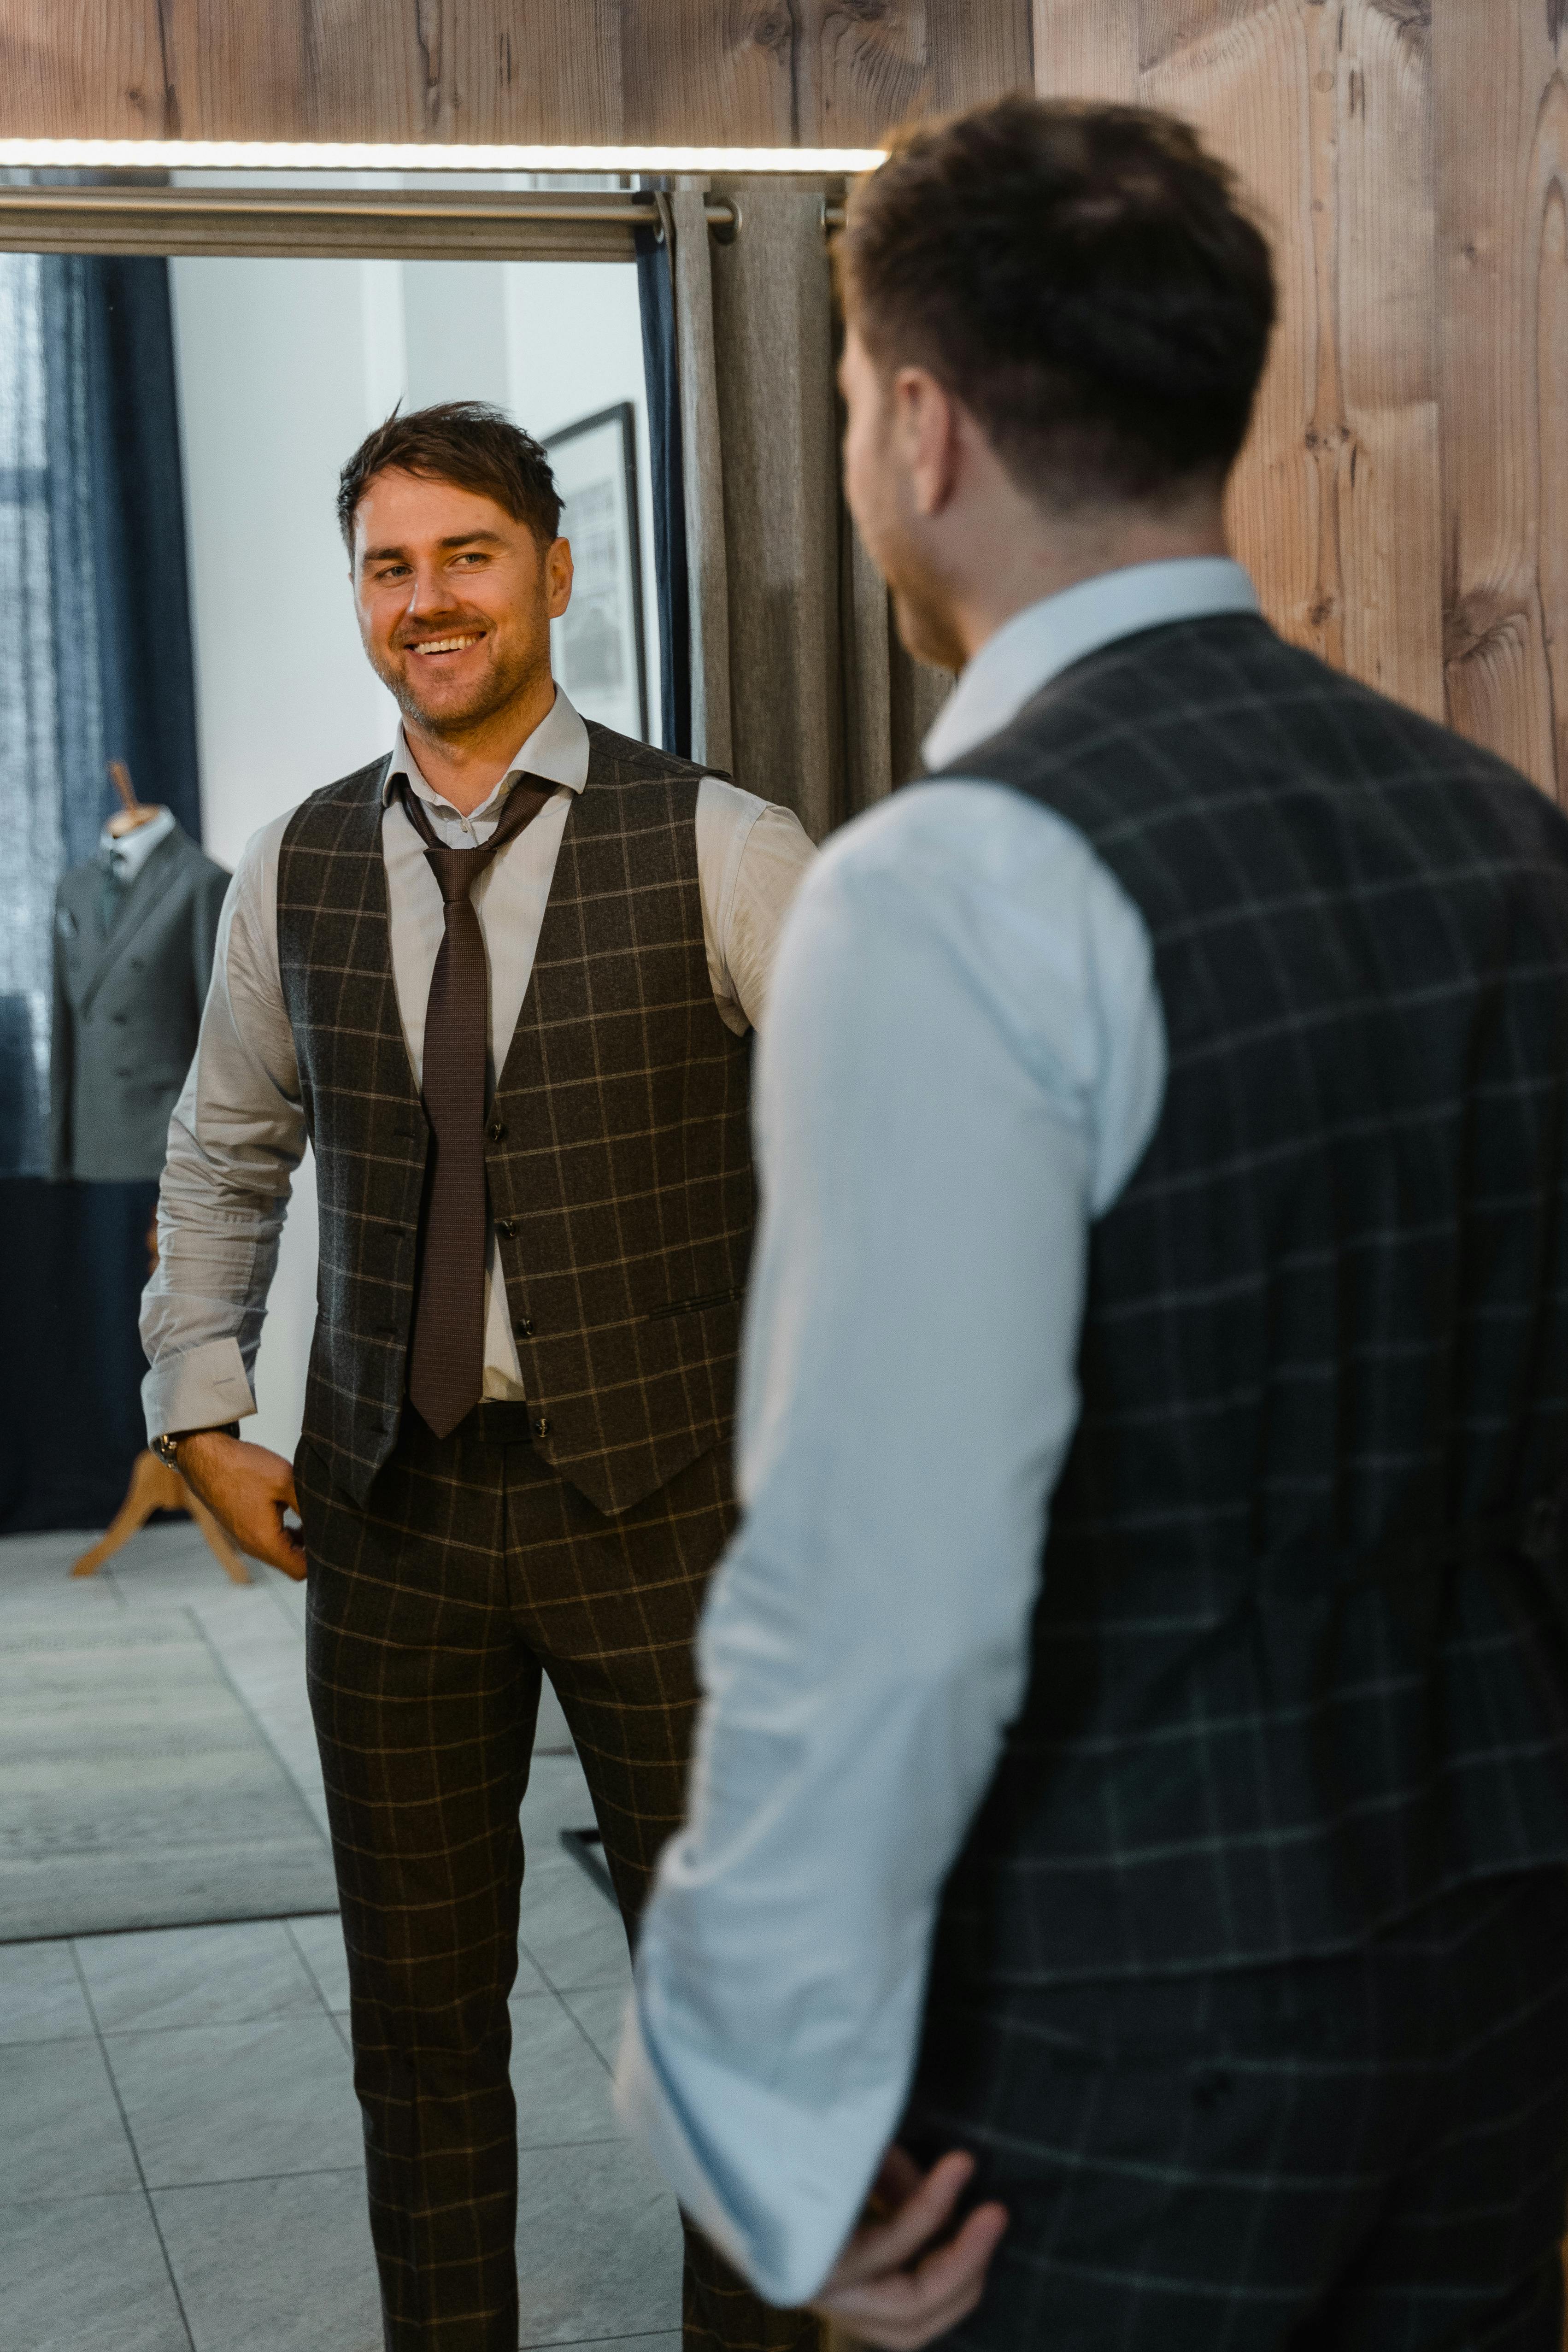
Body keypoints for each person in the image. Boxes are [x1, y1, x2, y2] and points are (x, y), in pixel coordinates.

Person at [617, 97, 1568, 2352]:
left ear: (919, 426)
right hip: (1496, 1977)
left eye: (852, 402)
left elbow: (880, 1601)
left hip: (1125, 2025)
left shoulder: (946, 890)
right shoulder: (1502, 837)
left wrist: (759, 2111)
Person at [140, 401, 818, 2352]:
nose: (425, 600)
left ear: (551, 574)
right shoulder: (299, 865)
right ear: (359, 596)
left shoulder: (722, 842)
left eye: (465, 556)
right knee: (419, 2019)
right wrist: (199, 1401)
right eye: (388, 564)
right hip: (390, 1512)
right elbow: (225, 1143)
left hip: (675, 1509)